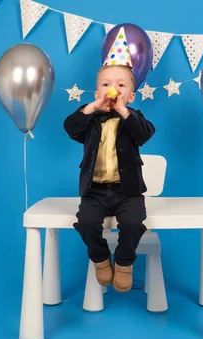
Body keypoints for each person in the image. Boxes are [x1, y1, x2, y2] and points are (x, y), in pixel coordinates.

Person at [63, 52, 156, 292]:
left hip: (128, 191)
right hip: (95, 191)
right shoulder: (90, 120)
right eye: (106, 85)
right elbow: (70, 128)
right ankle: (100, 258)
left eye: (120, 85)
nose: (112, 88)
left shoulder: (132, 119)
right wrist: (92, 108)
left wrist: (125, 112)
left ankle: (124, 263)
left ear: (131, 96)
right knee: (85, 222)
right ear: (96, 94)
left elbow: (145, 133)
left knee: (133, 223)